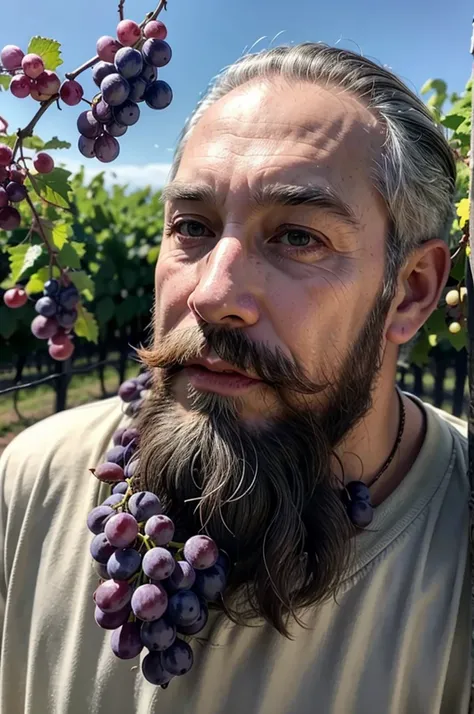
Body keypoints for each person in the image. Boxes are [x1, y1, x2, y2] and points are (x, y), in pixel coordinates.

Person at [0, 41, 470, 714]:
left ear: (411, 292)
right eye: (191, 226)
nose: (211, 293)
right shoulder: (32, 480)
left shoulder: (459, 552)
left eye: (298, 237)